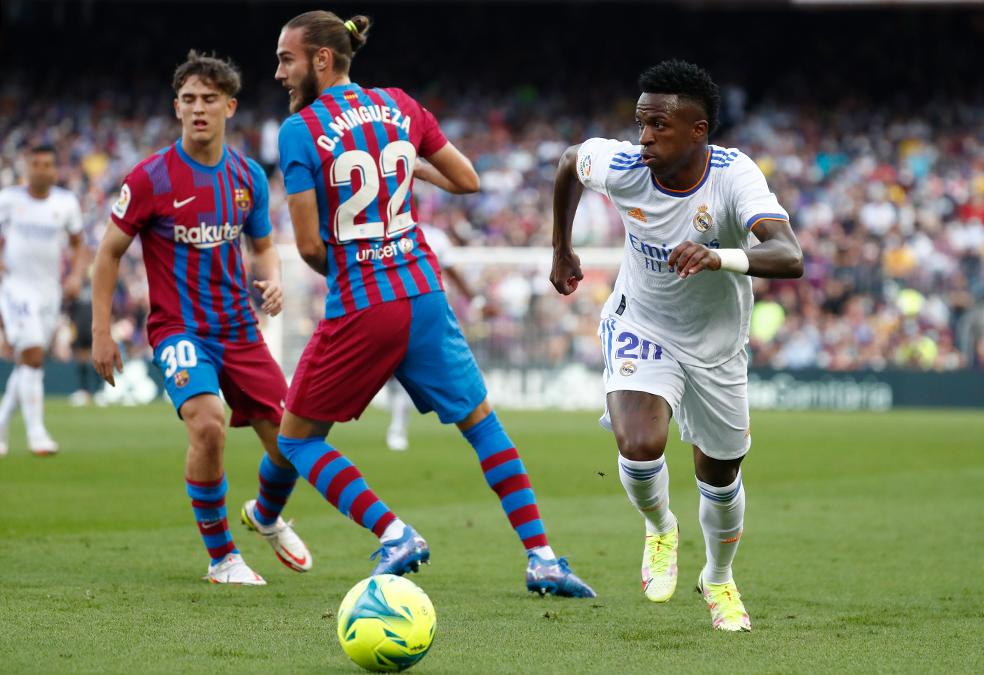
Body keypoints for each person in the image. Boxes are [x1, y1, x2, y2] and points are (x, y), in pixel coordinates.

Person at [274, 10, 593, 596]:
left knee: (296, 437)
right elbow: (468, 179)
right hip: (422, 291)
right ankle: (543, 557)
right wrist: (410, 167)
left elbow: (310, 246)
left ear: (322, 59)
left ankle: (393, 532)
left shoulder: (298, 130)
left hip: (364, 303)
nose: (279, 73)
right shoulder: (401, 105)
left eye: (286, 59)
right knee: (482, 424)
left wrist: (349, 264)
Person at [549, 60, 804, 630]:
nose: (644, 137)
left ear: (698, 130)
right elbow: (568, 163)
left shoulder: (735, 177)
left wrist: (719, 256)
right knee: (640, 444)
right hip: (642, 321)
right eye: (641, 123)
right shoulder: (623, 166)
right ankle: (661, 526)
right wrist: (561, 249)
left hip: (717, 345)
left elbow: (791, 256)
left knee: (720, 477)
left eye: (659, 125)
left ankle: (717, 577)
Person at [91, 51, 311, 585]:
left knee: (292, 444)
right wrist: (101, 330)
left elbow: (263, 247)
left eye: (209, 99)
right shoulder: (149, 178)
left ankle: (265, 513)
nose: (197, 109)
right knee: (209, 424)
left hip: (239, 329)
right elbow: (108, 253)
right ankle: (222, 558)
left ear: (229, 106)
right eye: (188, 99)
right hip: (180, 331)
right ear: (176, 108)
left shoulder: (247, 176)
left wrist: (274, 278)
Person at [0, 144, 88, 457]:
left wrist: (76, 276)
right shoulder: (9, 200)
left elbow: (79, 245)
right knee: (33, 352)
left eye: (47, 164)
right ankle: (37, 434)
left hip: (49, 290)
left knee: (29, 361)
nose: (41, 169)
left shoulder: (65, 203)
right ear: (27, 167)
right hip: (16, 287)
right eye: (35, 163)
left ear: (55, 169)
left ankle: (0, 425)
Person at [385, 222, 474, 452]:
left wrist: (474, 299)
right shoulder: (384, 236)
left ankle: (398, 427)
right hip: (401, 311)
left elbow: (452, 272)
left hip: (420, 312)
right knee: (399, 371)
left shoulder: (433, 236)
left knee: (412, 369)